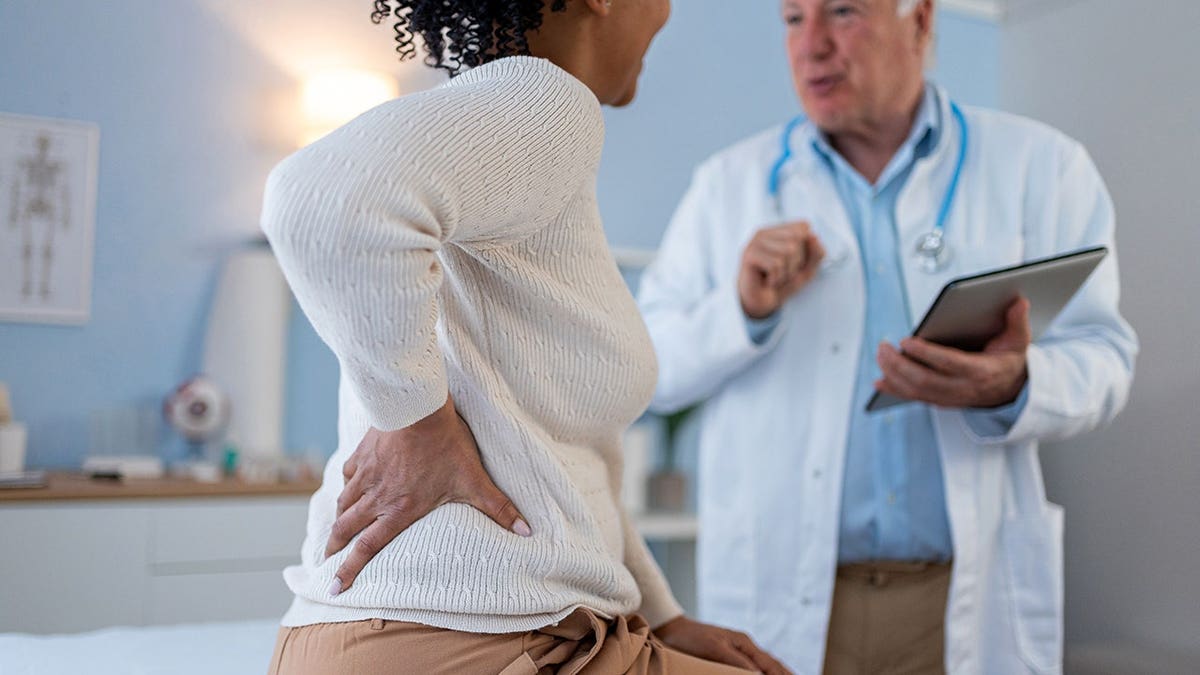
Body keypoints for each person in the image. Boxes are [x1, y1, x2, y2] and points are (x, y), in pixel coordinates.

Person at [260, 1, 790, 673]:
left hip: (428, 634)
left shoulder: (500, 140)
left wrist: (664, 615)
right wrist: (418, 422)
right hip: (459, 636)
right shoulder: (545, 98)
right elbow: (319, 200)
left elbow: (556, 461)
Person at [636, 0, 1138, 673]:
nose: (811, 47)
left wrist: (1016, 383)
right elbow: (648, 371)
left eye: (842, 13)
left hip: (961, 595)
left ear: (922, 20)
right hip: (783, 599)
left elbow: (1105, 355)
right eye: (792, 19)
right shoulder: (728, 187)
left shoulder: (1043, 168)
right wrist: (743, 309)